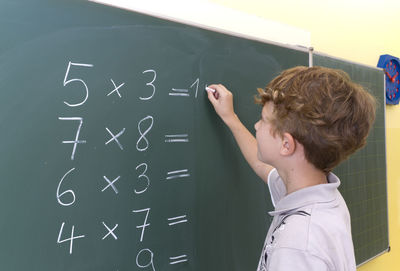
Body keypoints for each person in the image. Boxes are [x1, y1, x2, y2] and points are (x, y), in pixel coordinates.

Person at [206, 66, 376, 271]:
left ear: (286, 145)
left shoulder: (296, 247)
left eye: (263, 120)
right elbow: (263, 166)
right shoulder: (321, 197)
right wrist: (230, 118)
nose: (256, 126)